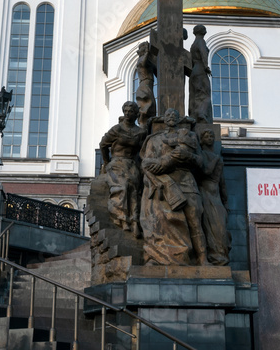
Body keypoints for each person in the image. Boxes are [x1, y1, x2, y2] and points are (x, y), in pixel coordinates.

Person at [140, 109, 207, 265]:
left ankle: (203, 259)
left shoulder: (189, 137)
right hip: (164, 183)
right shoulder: (154, 140)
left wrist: (187, 156)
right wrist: (161, 166)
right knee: (159, 219)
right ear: (164, 119)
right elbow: (145, 163)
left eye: (174, 115)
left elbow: (200, 162)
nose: (171, 117)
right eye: (168, 115)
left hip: (186, 181)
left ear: (178, 119)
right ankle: (160, 257)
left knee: (195, 221)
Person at [99, 101, 146, 236]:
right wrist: (106, 162)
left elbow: (143, 151)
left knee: (135, 188)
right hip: (117, 162)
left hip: (131, 164)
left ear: (136, 114)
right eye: (125, 111)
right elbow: (103, 145)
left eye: (130, 111)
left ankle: (135, 221)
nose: (127, 114)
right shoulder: (117, 129)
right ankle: (122, 219)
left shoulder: (140, 132)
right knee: (123, 186)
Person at [197, 124, 230, 265]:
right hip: (205, 194)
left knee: (221, 227)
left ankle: (221, 255)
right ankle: (214, 257)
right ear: (202, 140)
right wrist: (216, 160)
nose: (210, 138)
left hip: (216, 196)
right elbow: (206, 172)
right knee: (210, 226)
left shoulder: (218, 158)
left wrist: (225, 200)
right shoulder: (202, 155)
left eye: (211, 136)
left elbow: (222, 182)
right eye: (206, 136)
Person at [188, 25, 213, 125]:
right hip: (200, 70)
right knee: (205, 95)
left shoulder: (193, 44)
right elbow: (203, 53)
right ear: (204, 31)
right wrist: (206, 67)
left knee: (196, 95)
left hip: (194, 71)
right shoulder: (201, 42)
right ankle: (201, 113)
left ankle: (195, 115)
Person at [134, 42, 157, 127]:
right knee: (146, 108)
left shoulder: (149, 62)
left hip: (148, 86)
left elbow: (157, 71)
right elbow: (143, 63)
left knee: (151, 107)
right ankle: (144, 126)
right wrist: (147, 52)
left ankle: (148, 125)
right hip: (144, 86)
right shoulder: (141, 60)